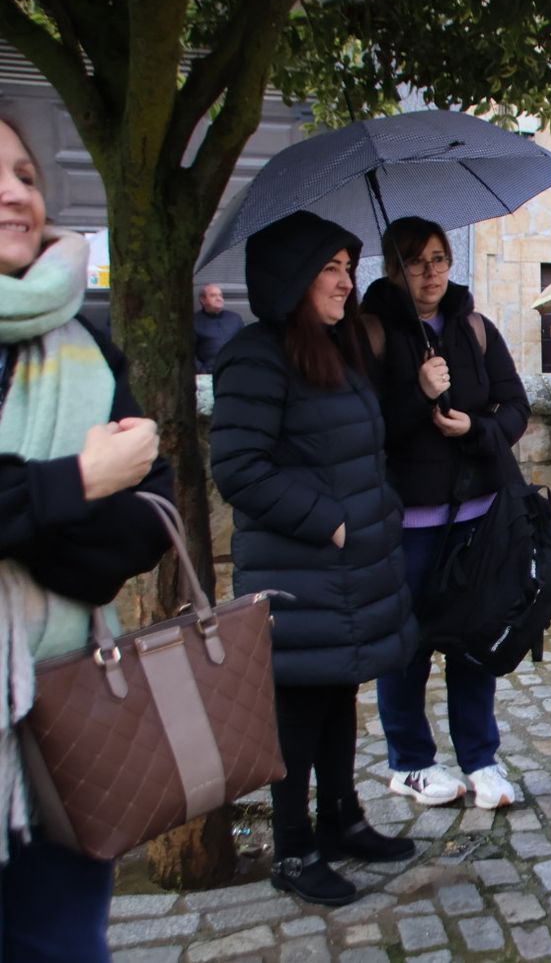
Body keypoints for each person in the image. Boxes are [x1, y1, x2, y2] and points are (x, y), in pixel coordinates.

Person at [0, 113, 171, 962]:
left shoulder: (84, 344)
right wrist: (74, 483)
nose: (14, 193)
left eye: (27, 174)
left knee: (65, 944)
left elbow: (147, 511)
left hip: (64, 717)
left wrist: (32, 521)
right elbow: (103, 489)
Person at [210, 210, 418, 907]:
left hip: (349, 570)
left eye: (348, 267)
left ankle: (341, 819)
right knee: (297, 711)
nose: (344, 280)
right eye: (329, 269)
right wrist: (326, 519)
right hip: (298, 571)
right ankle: (295, 849)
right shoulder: (255, 356)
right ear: (291, 279)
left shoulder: (337, 346)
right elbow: (239, 466)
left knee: (337, 696)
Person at [362, 217, 531, 809]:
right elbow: (364, 428)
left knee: (472, 642)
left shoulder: (474, 328)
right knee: (405, 649)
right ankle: (409, 761)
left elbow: (516, 407)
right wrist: (418, 392)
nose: (430, 272)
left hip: (476, 518)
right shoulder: (373, 333)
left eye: (438, 259)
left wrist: (476, 428)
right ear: (393, 268)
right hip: (407, 525)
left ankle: (481, 758)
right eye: (415, 261)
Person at [194, 283, 244, 373]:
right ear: (203, 300)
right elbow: (189, 353)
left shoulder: (235, 318)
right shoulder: (195, 322)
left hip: (235, 370)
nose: (219, 299)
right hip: (209, 373)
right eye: (213, 295)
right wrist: (202, 371)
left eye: (220, 295)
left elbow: (245, 344)